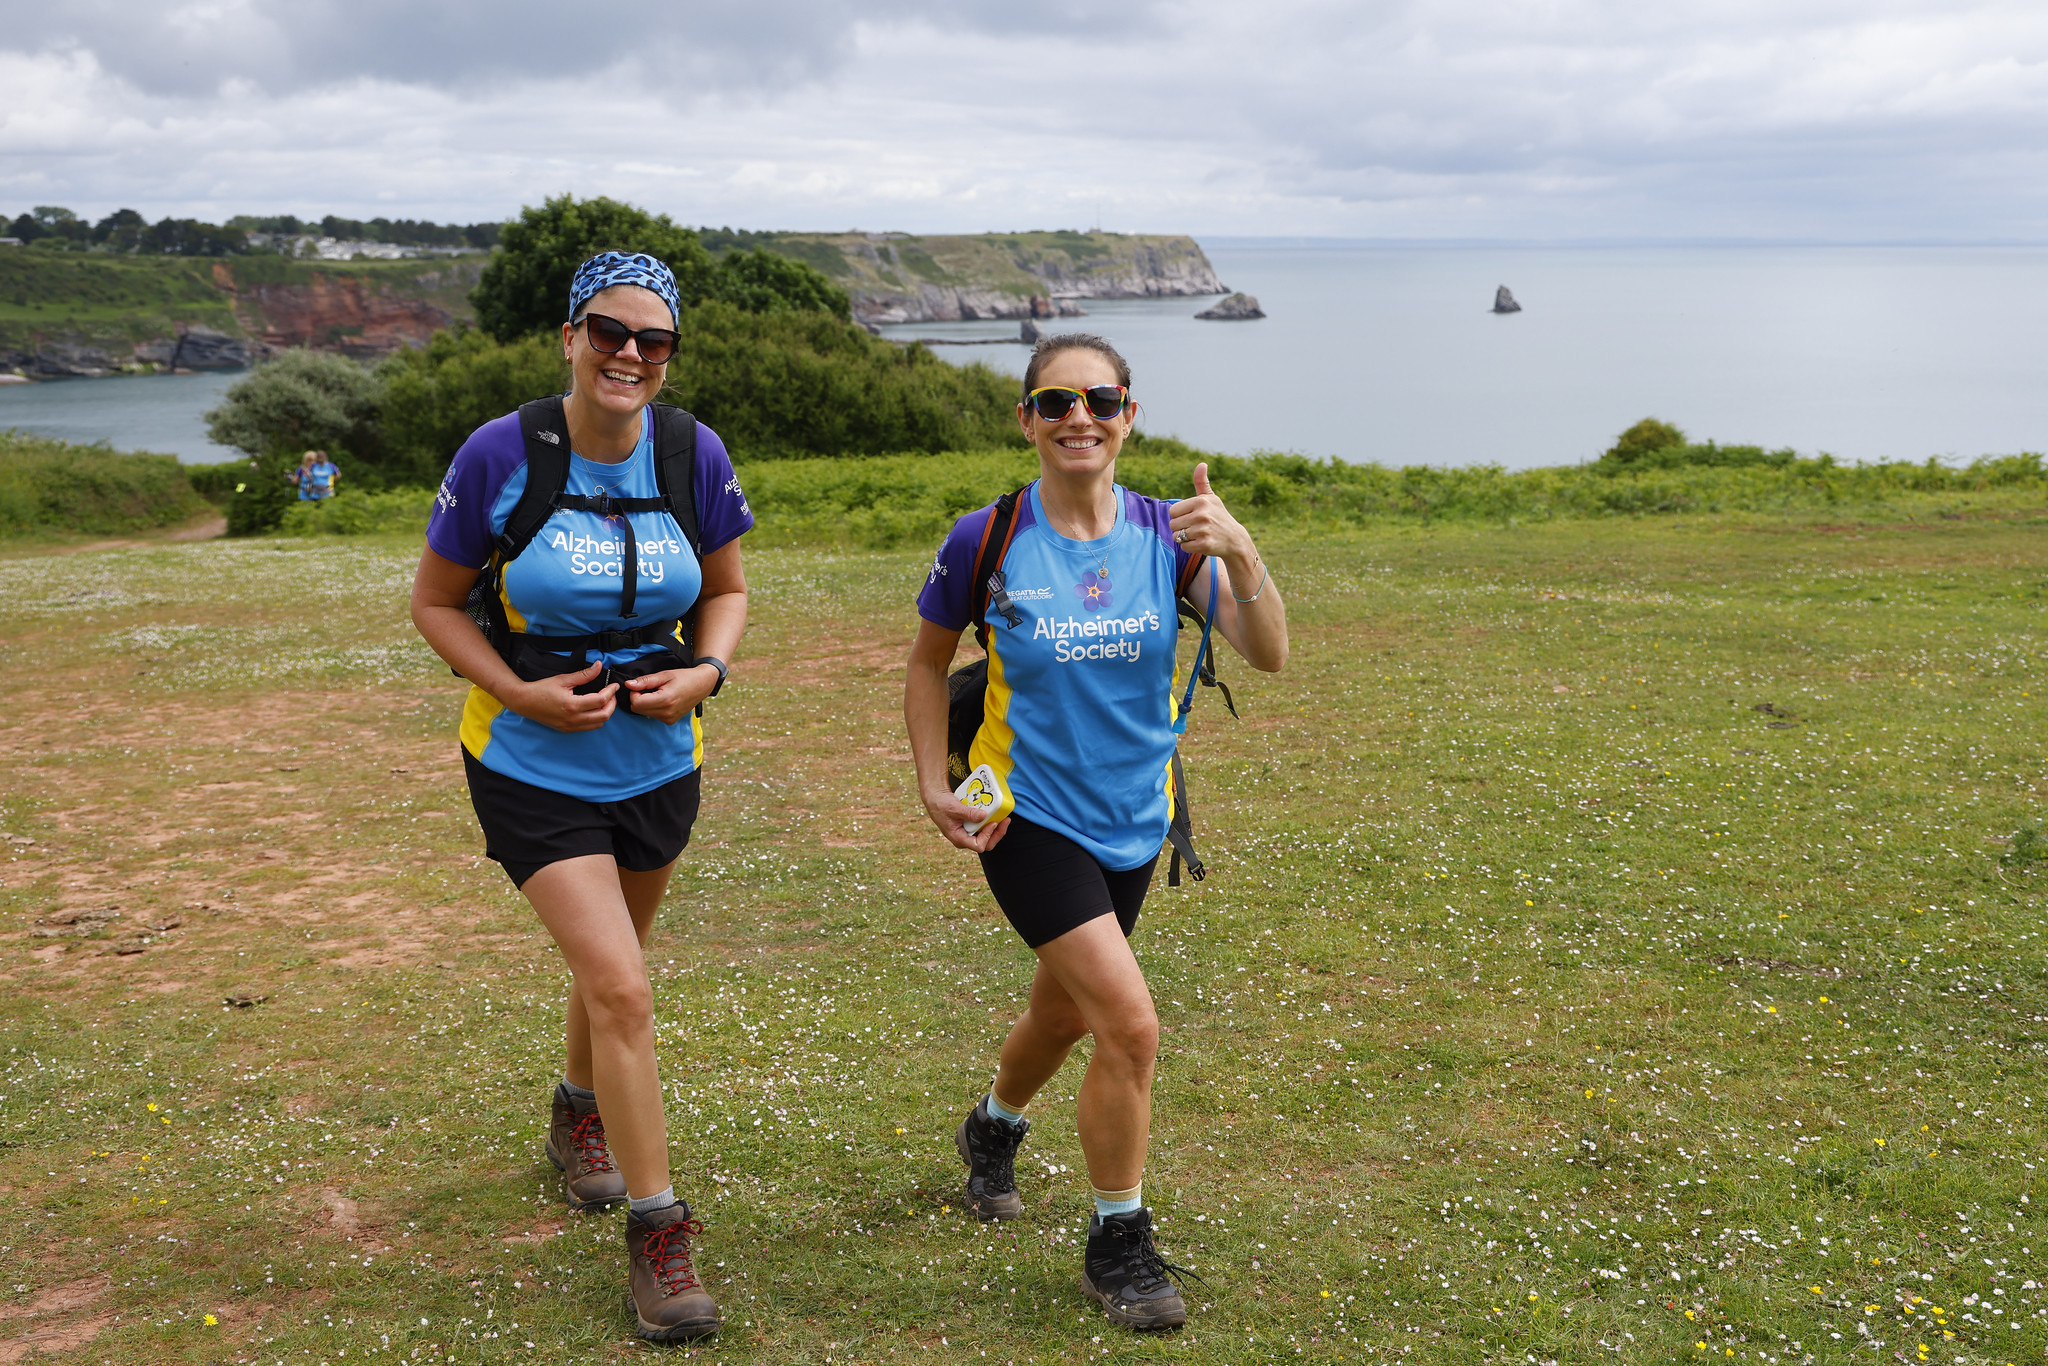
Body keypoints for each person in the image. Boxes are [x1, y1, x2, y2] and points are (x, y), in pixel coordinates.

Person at [903, 333, 1289, 1331]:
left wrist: (1241, 548)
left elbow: (1269, 651)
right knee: (1127, 1022)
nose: (1079, 416)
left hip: (1134, 820)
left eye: (1101, 398)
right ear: (1026, 418)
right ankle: (1118, 1241)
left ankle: (989, 1130)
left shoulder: (1169, 537)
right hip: (1026, 819)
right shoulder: (983, 538)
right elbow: (922, 665)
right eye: (1055, 400)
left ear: (1128, 414)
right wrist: (926, 785)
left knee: (1067, 1013)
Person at [409, 252, 751, 1342]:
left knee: (613, 975)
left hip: (659, 761)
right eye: (609, 331)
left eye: (653, 340)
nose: (630, 354)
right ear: (568, 335)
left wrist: (706, 672)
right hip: (528, 761)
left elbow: (730, 588)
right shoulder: (503, 452)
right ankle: (659, 1237)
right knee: (624, 986)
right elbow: (435, 602)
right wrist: (517, 689)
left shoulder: (693, 452)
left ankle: (575, 1115)